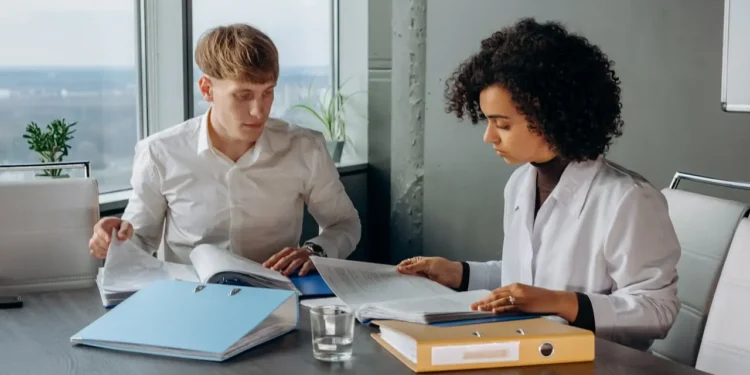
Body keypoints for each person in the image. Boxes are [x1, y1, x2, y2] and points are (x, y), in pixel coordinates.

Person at [397, 18, 681, 350]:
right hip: (529, 352)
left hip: (599, 363)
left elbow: (658, 311)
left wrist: (561, 302)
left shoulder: (628, 199)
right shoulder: (520, 184)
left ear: (549, 117)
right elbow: (529, 281)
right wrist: (460, 274)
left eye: (501, 124)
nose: (489, 137)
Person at [88, 23, 361, 276]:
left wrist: (314, 251)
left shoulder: (305, 148)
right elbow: (140, 239)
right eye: (243, 95)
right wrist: (114, 239)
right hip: (188, 300)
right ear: (207, 89)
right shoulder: (160, 153)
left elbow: (345, 224)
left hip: (278, 296)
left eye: (267, 92)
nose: (259, 111)